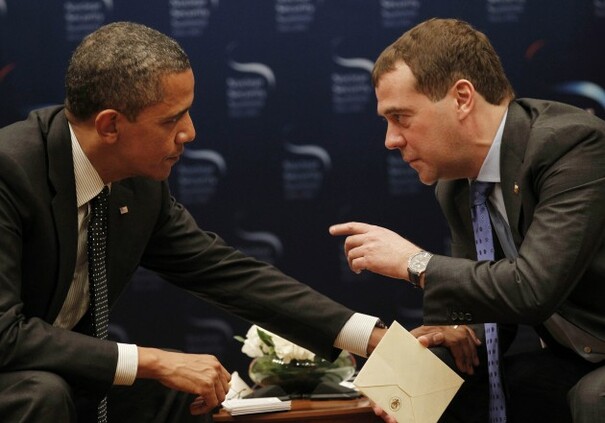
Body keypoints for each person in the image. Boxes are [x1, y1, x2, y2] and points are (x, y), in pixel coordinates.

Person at [0, 21, 388, 422]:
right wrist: (152, 360)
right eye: (171, 119)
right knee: (42, 393)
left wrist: (369, 337)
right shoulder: (9, 172)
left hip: (52, 369)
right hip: (20, 375)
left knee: (179, 391)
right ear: (110, 125)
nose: (190, 132)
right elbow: (3, 333)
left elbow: (223, 271)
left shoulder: (137, 183)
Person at [330, 18, 605, 423]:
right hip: (577, 356)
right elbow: (490, 307)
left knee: (595, 397)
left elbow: (534, 288)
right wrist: (458, 332)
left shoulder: (571, 145)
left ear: (461, 98)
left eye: (401, 117)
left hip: (592, 366)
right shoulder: (457, 186)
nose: (390, 140)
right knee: (440, 382)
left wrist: (414, 262)